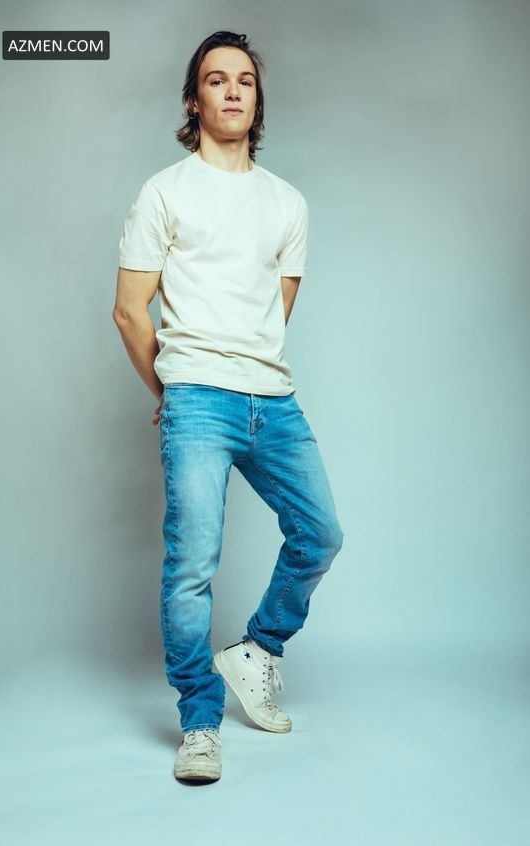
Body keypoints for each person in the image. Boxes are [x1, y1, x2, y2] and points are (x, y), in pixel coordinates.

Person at [113, 30, 343, 783]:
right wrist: (174, 393)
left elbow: (275, 313)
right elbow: (129, 311)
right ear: (194, 100)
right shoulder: (164, 192)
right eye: (217, 80)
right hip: (198, 399)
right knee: (191, 566)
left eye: (245, 79)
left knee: (320, 534)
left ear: (258, 98)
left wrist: (245, 369)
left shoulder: (287, 202)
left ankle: (258, 650)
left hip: (273, 400)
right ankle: (200, 721)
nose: (234, 90)